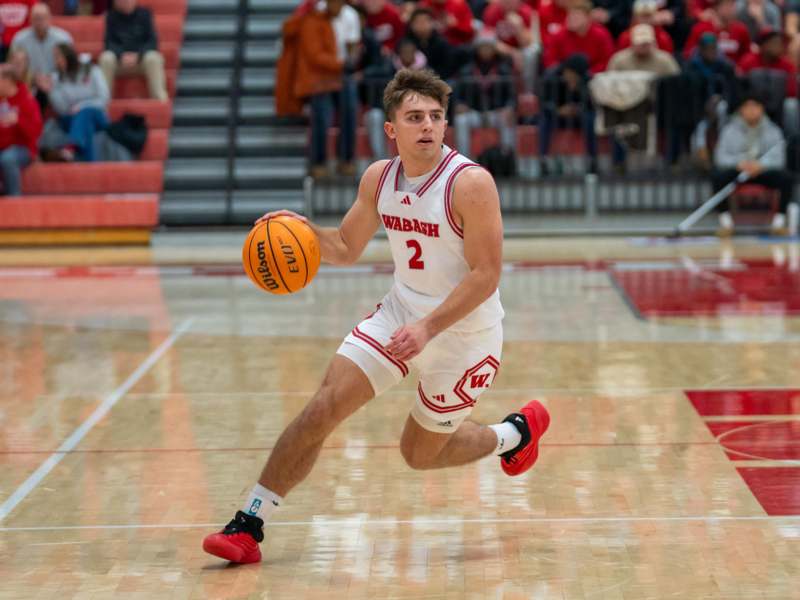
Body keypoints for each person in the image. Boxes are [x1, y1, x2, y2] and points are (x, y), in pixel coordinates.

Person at [201, 68, 550, 564]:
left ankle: (513, 435)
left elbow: (486, 275)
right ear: (392, 130)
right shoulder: (379, 178)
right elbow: (344, 247)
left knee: (418, 454)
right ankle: (249, 523)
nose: (427, 125)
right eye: (414, 117)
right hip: (399, 315)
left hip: (465, 336)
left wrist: (429, 328)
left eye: (435, 117)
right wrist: (296, 228)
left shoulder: (470, 183)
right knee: (324, 406)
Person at [712, 93, 792, 235]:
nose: (751, 110)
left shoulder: (773, 130)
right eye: (747, 107)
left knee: (786, 178)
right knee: (718, 177)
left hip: (763, 171)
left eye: (755, 106)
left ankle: (779, 223)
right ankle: (725, 224)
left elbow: (779, 158)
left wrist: (761, 165)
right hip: (738, 170)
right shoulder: (729, 130)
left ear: (762, 109)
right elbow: (720, 157)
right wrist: (739, 163)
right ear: (741, 110)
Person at [453, 31, 516, 158]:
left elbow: (512, 96)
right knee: (461, 120)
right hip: (474, 113)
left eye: (489, 47)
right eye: (483, 47)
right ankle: (464, 159)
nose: (486, 50)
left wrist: (509, 108)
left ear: (494, 50)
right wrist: (459, 105)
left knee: (508, 120)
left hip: (496, 113)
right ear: (477, 49)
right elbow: (457, 95)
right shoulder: (466, 71)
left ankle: (507, 158)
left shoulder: (503, 70)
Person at [44, 43, 110, 162]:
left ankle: (71, 146)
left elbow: (104, 98)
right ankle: (89, 166)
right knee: (86, 125)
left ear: (68, 56)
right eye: (54, 57)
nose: (56, 60)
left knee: (86, 113)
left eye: (58, 56)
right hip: (70, 119)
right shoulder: (55, 77)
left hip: (97, 115)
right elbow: (62, 109)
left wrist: (82, 106)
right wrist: (51, 91)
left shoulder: (92, 70)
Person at [99, 0, 167, 100]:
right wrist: (121, 55)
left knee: (154, 57)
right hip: (119, 62)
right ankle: (103, 100)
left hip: (141, 61)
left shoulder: (145, 14)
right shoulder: (111, 16)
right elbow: (108, 43)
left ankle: (159, 99)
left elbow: (152, 42)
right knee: (106, 58)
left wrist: (138, 56)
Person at [9, 3, 72, 91]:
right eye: (36, 18)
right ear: (30, 20)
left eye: (43, 18)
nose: (40, 21)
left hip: (58, 83)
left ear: (50, 18)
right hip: (28, 83)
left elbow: (71, 65)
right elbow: (13, 66)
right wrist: (33, 78)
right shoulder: (19, 39)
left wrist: (52, 78)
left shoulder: (63, 38)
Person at [0, 64, 41, 195]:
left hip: (23, 148)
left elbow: (35, 132)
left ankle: (14, 199)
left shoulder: (27, 101)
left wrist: (18, 121)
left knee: (7, 158)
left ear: (8, 81)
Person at [683, 0, 750, 64]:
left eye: (733, 5)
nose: (731, 9)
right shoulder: (701, 28)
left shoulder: (740, 29)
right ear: (716, 7)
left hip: (731, 73)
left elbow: (746, 55)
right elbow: (688, 54)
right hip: (707, 72)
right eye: (727, 5)